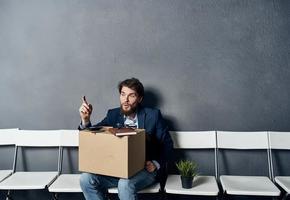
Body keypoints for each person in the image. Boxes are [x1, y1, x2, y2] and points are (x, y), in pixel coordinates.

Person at [78, 77, 173, 200]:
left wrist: (156, 163)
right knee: (86, 179)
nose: (126, 100)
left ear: (139, 99)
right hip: (117, 171)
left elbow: (168, 145)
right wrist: (86, 120)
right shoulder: (113, 114)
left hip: (145, 170)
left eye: (131, 96)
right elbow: (94, 134)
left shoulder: (153, 115)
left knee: (125, 184)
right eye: (123, 94)